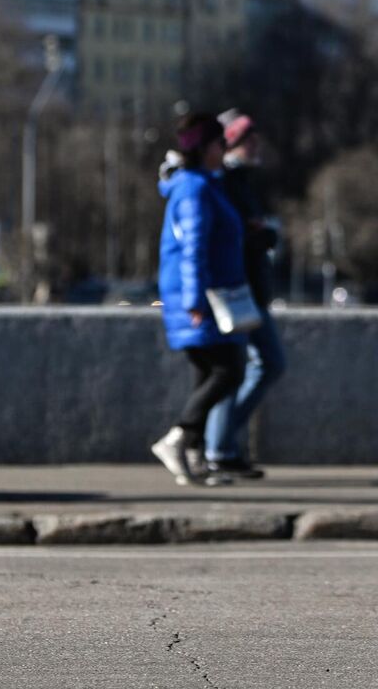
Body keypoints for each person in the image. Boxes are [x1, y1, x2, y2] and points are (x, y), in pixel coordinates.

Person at [149, 113, 251, 487]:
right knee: (229, 369)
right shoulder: (194, 189)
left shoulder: (203, 184)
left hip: (206, 293)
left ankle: (193, 457)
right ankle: (178, 438)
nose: (225, 150)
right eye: (221, 144)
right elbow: (193, 249)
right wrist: (194, 300)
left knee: (208, 372)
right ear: (208, 148)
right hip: (201, 296)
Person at [201, 109, 286, 479]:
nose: (256, 145)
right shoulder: (225, 182)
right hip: (237, 289)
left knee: (249, 367)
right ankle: (217, 446)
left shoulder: (240, 182)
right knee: (250, 366)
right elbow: (226, 234)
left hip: (249, 288)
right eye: (248, 139)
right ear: (232, 143)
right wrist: (259, 236)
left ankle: (221, 445)